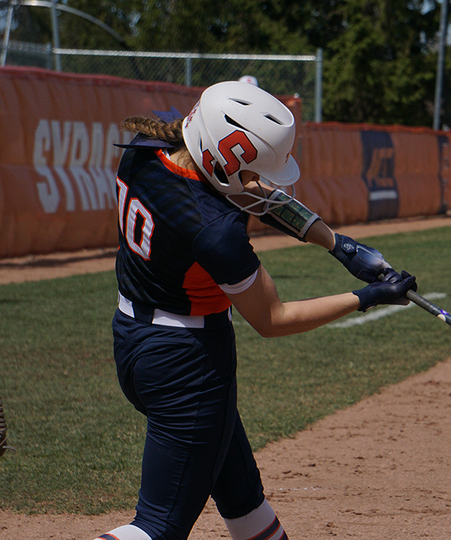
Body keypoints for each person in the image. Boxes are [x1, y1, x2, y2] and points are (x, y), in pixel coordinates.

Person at [93, 81, 417, 540]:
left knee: (243, 498)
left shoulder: (145, 151)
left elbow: (251, 194)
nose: (258, 181)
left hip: (136, 341)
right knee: (158, 528)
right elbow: (272, 319)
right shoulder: (215, 231)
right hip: (189, 364)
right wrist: (368, 298)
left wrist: (337, 244)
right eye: (248, 169)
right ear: (220, 161)